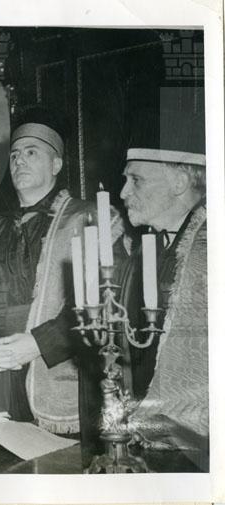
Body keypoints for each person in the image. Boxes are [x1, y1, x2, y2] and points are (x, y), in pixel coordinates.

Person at [0, 107, 123, 435]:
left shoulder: (89, 219)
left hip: (58, 367)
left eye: (31, 152)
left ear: (56, 165)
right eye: (14, 155)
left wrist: (38, 344)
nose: (19, 161)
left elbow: (106, 303)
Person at [117, 143, 207, 460]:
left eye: (136, 180)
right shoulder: (146, 249)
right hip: (150, 433)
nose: (123, 192)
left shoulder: (210, 248)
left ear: (179, 182)